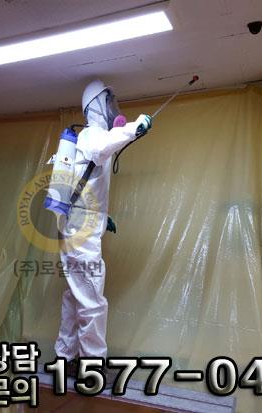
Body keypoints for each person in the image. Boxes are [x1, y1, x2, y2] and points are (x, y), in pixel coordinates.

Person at [54, 79, 153, 384]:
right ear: (96, 105)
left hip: (75, 226)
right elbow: (102, 147)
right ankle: (92, 369)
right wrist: (135, 127)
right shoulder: (93, 135)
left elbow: (88, 186)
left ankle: (64, 360)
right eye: (108, 102)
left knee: (75, 297)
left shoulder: (89, 138)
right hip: (81, 233)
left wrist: (102, 217)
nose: (113, 108)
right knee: (93, 301)